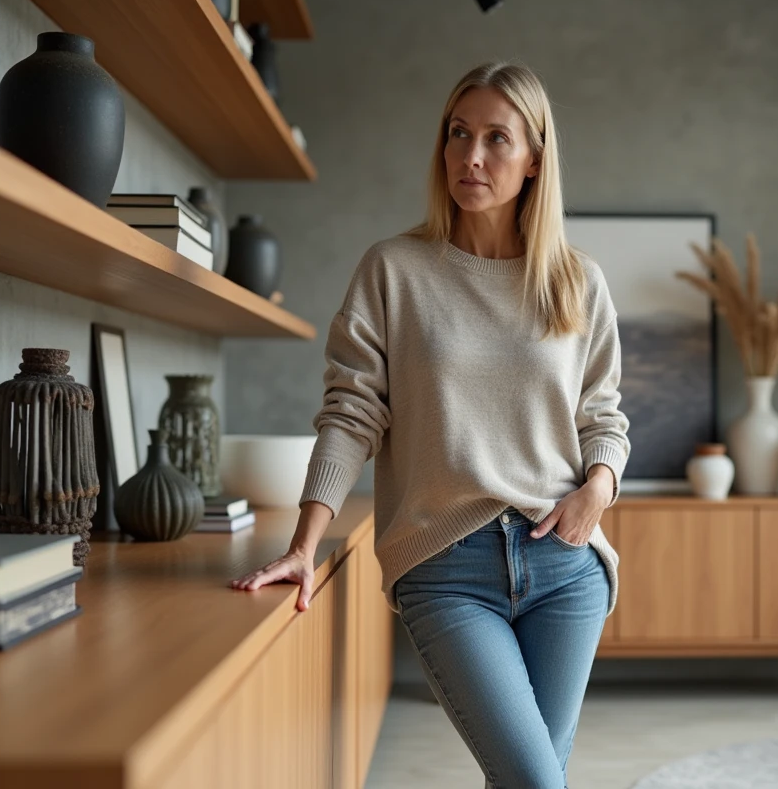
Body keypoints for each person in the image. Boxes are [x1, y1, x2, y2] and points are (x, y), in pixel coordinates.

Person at [231, 60, 630, 789]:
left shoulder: (578, 281)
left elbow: (602, 414)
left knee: (534, 777)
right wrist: (303, 543)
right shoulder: (394, 271)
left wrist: (598, 489)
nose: (470, 156)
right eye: (457, 133)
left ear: (536, 159)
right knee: (536, 781)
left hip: (565, 561)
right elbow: (352, 413)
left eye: (496, 139)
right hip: (447, 566)